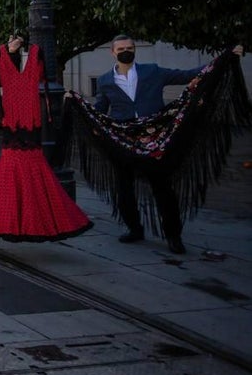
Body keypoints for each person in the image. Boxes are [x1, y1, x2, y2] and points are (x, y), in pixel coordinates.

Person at [92, 35, 244, 253]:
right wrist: (83, 110)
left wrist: (224, 59)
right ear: (112, 52)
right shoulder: (105, 80)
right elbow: (100, 106)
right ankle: (134, 229)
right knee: (124, 188)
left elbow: (188, 75)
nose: (127, 51)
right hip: (124, 140)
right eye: (122, 48)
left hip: (154, 140)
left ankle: (173, 236)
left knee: (162, 187)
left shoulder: (153, 71)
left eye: (130, 47)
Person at [0, 37, 91, 246]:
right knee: (11, 181)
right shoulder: (4, 60)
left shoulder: (34, 58)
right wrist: (10, 51)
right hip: (15, 126)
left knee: (19, 180)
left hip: (28, 125)